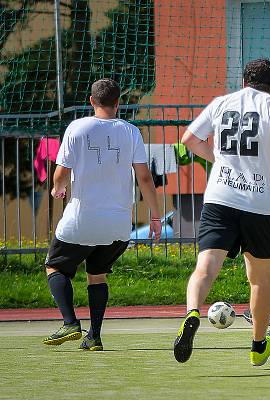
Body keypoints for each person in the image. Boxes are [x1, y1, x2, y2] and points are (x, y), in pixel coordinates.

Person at [174, 58, 270, 366]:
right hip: (262, 204)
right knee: (260, 280)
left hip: (221, 198)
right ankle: (258, 346)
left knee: (205, 268)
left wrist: (217, 158)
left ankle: (192, 312)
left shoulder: (222, 102)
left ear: (244, 80)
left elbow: (189, 139)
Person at [42, 78, 162, 351]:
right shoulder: (131, 132)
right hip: (118, 225)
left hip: (82, 219)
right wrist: (155, 216)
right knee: (97, 275)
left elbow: (62, 172)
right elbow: (144, 177)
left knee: (55, 266)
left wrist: (57, 189)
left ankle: (71, 322)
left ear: (92, 101)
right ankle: (94, 336)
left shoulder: (77, 127)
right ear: (118, 103)